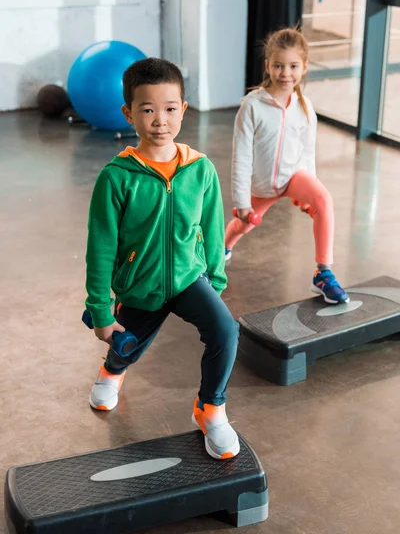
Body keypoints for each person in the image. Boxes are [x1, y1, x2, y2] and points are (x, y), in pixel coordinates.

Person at [84, 57, 240, 460]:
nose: (160, 120)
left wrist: (216, 282)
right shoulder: (116, 177)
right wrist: (101, 311)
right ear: (128, 113)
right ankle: (112, 371)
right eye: (148, 109)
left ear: (183, 110)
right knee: (127, 346)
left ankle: (210, 408)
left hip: (189, 279)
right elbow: (100, 247)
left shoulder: (200, 169)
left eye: (170, 109)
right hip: (139, 285)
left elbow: (211, 225)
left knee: (225, 331)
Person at [225, 28, 348, 304]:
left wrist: (307, 195)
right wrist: (242, 202)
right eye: (278, 65)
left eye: (293, 66)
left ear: (304, 67)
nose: (285, 73)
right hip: (261, 184)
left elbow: (308, 152)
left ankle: (323, 272)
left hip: (293, 177)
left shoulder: (305, 108)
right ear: (268, 65)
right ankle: (223, 248)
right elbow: (241, 157)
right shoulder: (252, 106)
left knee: (323, 199)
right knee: (243, 225)